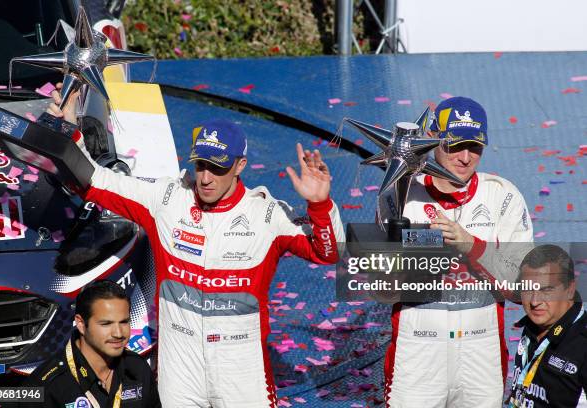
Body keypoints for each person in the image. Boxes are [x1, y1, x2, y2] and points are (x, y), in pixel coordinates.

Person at [46, 88, 345, 407]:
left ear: (240, 165)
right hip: (180, 369)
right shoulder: (167, 199)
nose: (205, 178)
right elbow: (95, 182)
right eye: (201, 164)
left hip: (242, 370)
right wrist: (67, 133)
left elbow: (327, 252)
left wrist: (320, 204)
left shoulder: (267, 215)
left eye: (217, 167)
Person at [377, 96, 534, 407]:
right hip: (416, 351)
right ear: (433, 140)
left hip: (481, 349)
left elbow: (521, 287)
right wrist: (429, 245)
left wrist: (469, 245)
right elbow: (382, 282)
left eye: (475, 147)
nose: (465, 157)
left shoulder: (503, 196)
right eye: (454, 145)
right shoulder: (400, 192)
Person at [22, 280, 160, 407]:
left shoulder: (138, 368)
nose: (118, 333)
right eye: (106, 324)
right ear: (81, 324)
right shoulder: (46, 384)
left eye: (124, 322)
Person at [509, 245, 586, 407]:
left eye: (546, 290)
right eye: (528, 290)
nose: (535, 301)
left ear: (570, 289)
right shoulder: (533, 324)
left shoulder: (582, 344)